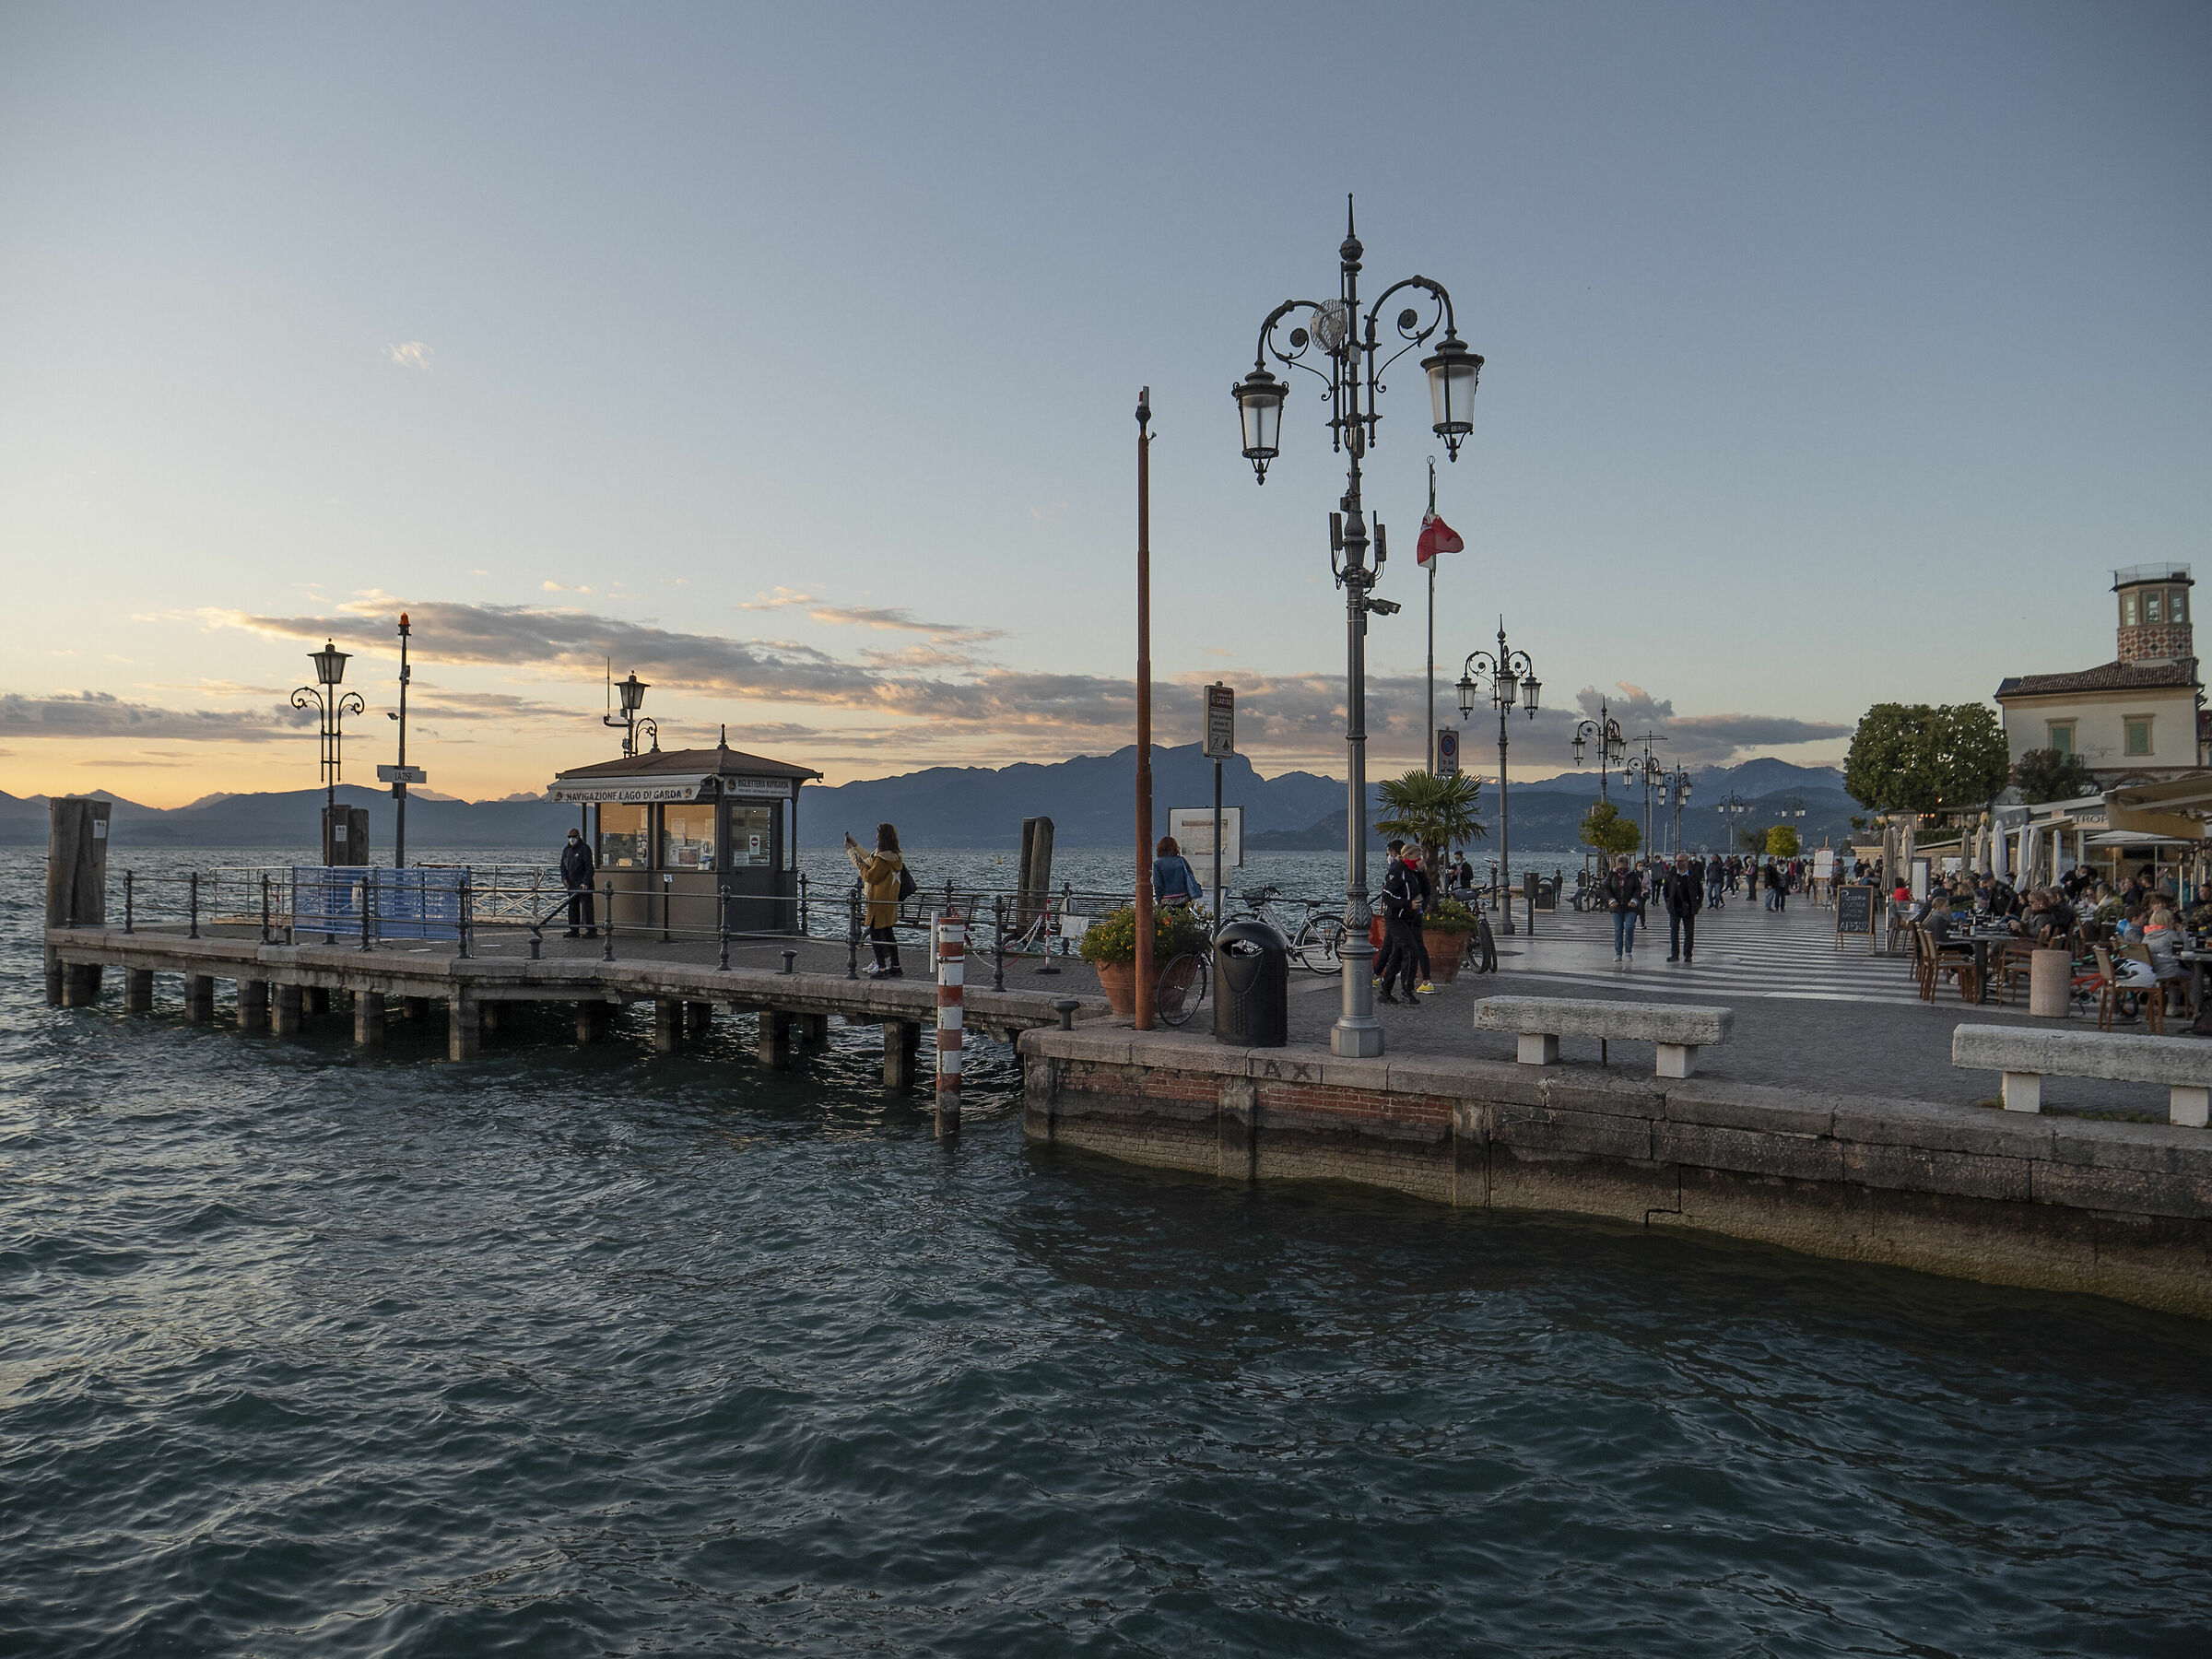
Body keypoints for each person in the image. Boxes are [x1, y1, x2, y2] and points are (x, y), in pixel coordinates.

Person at [845, 823, 906, 977]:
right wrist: (853, 846)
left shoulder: (882, 858)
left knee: (876, 933)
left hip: (878, 902)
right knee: (889, 933)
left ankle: (882, 969)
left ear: (882, 836)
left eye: (878, 832)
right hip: (890, 901)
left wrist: (860, 866)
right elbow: (869, 858)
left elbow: (870, 876)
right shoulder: (895, 855)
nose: (876, 834)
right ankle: (896, 966)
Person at [1376, 840, 1429, 1005]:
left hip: (1410, 918)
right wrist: (1407, 904)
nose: (1420, 858)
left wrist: (1422, 873)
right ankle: (1407, 989)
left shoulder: (1414, 871)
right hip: (1395, 918)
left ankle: (1386, 991)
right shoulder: (1398, 870)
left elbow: (1426, 891)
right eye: (1418, 855)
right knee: (1411, 950)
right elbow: (1387, 896)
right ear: (1408, 855)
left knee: (1397, 956)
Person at [1665, 853, 1703, 963]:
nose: (1678, 863)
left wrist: (1698, 904)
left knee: (1689, 933)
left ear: (1687, 862)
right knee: (1674, 932)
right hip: (1674, 908)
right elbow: (1665, 890)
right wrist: (1668, 903)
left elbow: (1700, 892)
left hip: (1689, 908)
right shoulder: (1671, 874)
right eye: (1676, 861)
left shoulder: (1693, 875)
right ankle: (1674, 954)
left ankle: (1688, 955)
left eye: (1681, 861)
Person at [559, 825, 597, 938]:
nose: (571, 838)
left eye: (573, 836)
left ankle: (591, 930)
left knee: (587, 908)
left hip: (583, 885)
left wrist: (585, 882)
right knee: (572, 907)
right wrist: (564, 878)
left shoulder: (584, 849)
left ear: (578, 836)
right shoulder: (567, 850)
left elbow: (590, 868)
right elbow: (562, 866)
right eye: (569, 836)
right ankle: (574, 930)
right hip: (571, 884)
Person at [1603, 855, 1642, 961]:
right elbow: (1607, 888)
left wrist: (1634, 900)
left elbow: (1638, 889)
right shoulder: (1612, 875)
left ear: (1628, 865)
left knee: (1629, 928)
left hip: (1630, 907)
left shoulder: (1633, 875)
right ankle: (1618, 953)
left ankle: (1628, 951)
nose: (1622, 869)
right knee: (1618, 930)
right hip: (1617, 907)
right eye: (1620, 866)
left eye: (1624, 866)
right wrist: (1611, 900)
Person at [1152, 836, 1203, 910]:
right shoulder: (1182, 861)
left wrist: (1159, 900)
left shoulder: (1157, 864)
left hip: (1167, 901)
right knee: (1184, 920)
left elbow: (1158, 885)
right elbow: (1190, 876)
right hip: (1184, 898)